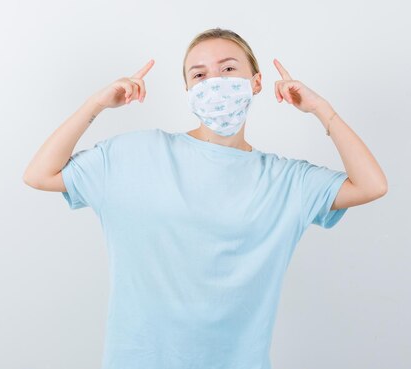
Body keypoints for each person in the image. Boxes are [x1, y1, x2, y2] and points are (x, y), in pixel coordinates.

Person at [23, 27, 388, 369]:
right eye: (199, 75)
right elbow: (40, 175)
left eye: (228, 69)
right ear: (188, 91)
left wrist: (322, 110)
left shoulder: (286, 180)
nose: (214, 82)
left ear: (256, 82)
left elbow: (371, 185)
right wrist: (95, 104)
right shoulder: (135, 154)